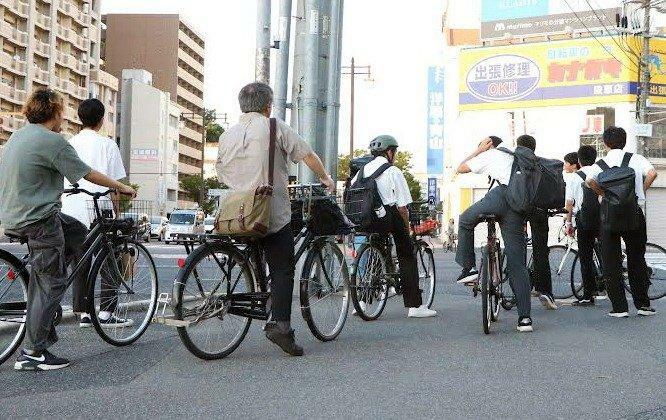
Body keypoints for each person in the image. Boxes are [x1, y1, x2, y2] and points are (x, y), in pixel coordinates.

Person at [0, 89, 136, 371]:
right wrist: (120, 186)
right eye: (61, 111)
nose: (63, 116)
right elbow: (87, 173)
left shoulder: (18, 136)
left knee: (77, 233)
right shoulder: (53, 141)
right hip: (39, 220)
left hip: (16, 215)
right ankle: (33, 353)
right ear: (54, 112)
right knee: (51, 281)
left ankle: (49, 296)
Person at [216, 82, 335, 357]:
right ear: (268, 105)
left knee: (254, 253)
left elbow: (221, 171)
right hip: (267, 211)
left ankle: (258, 297)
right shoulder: (273, 127)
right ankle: (281, 327)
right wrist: (325, 178)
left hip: (235, 211)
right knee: (283, 268)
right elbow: (307, 154)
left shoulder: (227, 135)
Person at [350, 135, 437, 319]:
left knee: (375, 249)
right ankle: (415, 306)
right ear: (389, 152)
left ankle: (363, 303)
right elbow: (403, 207)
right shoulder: (393, 171)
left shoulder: (361, 171)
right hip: (387, 216)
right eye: (394, 152)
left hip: (365, 218)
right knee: (406, 252)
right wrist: (407, 230)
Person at [60, 98, 129, 328]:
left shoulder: (69, 143)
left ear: (80, 119)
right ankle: (107, 312)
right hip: (100, 208)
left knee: (81, 261)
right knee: (110, 258)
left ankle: (83, 313)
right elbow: (115, 186)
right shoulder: (108, 145)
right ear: (102, 120)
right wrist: (117, 214)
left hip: (71, 207)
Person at [455, 135, 534, 332]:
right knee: (517, 264)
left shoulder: (492, 154)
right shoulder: (517, 157)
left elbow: (461, 168)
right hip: (517, 206)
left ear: (490, 143)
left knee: (465, 220)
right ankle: (525, 319)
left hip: (498, 197)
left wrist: (479, 150)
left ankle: (469, 269)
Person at [585, 127, 657, 318]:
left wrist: (604, 194)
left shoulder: (600, 163)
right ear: (624, 141)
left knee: (611, 261)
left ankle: (619, 308)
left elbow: (589, 182)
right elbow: (652, 174)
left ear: (605, 143)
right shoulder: (636, 159)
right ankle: (643, 305)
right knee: (637, 259)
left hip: (609, 215)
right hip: (633, 212)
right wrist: (639, 192)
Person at [565, 145, 599, 306]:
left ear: (579, 160)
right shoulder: (601, 171)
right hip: (604, 217)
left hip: (584, 219)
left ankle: (588, 295)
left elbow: (569, 203)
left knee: (585, 256)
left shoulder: (574, 177)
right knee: (609, 253)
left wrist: (568, 222)